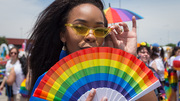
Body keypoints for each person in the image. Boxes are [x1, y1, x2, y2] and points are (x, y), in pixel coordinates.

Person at [27, 0, 157, 100]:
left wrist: (130, 60)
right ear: (63, 34)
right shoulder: (48, 83)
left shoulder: (116, 74)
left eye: (99, 30)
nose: (91, 36)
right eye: (80, 28)